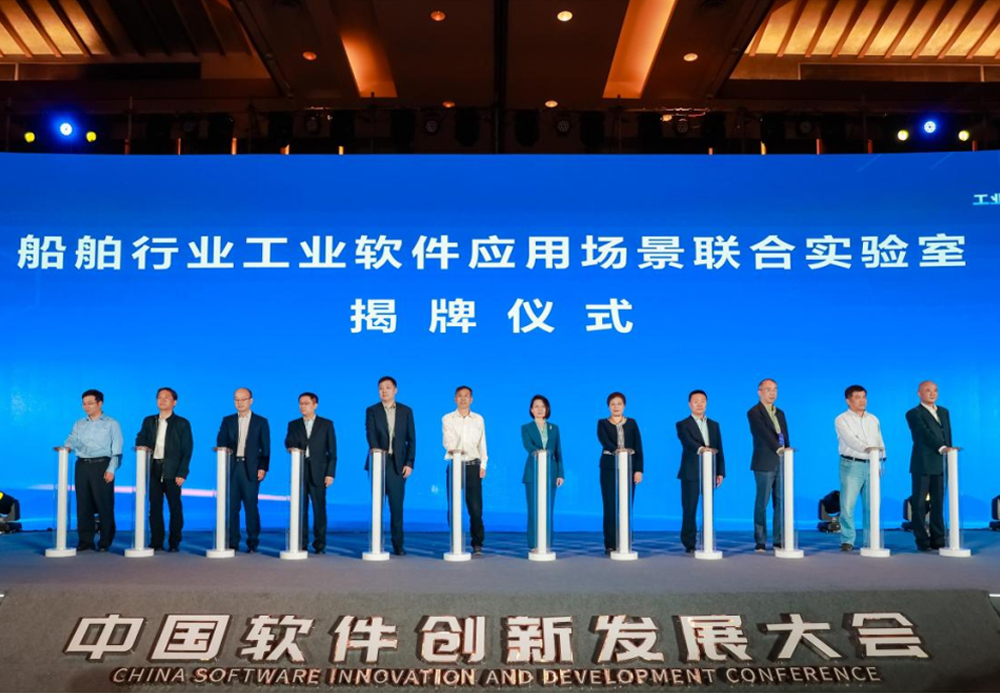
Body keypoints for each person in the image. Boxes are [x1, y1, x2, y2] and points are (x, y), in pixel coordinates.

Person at [135, 387, 193, 552]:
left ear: (174, 402)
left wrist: (182, 472)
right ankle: (156, 541)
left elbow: (187, 450)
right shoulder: (149, 421)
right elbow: (140, 438)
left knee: (175, 508)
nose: (162, 400)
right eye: (159, 397)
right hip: (153, 468)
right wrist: (142, 446)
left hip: (173, 471)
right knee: (154, 508)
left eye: (166, 397)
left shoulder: (182, 423)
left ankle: (174, 542)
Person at [63, 389, 122, 552]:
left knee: (104, 504)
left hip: (102, 465)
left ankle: (105, 541)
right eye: (84, 404)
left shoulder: (111, 423)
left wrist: (111, 469)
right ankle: (85, 540)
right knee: (83, 504)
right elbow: (71, 439)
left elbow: (117, 449)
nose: (86, 407)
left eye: (90, 403)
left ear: (100, 403)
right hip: (82, 465)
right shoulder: (79, 423)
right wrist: (66, 447)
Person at [365, 376, 416, 556]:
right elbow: (370, 434)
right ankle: (376, 543)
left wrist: (409, 463)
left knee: (396, 507)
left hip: (398, 465)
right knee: (377, 505)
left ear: (395, 390)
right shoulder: (372, 410)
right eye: (381, 388)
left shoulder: (406, 411)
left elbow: (411, 439)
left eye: (387, 387)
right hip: (378, 462)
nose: (384, 391)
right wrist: (376, 452)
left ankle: (398, 544)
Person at [216, 387, 270, 553]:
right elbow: (221, 441)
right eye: (236, 399)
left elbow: (266, 448)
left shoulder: (261, 421)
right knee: (232, 508)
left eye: (243, 399)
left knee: (251, 506)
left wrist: (263, 468)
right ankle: (233, 541)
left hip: (251, 469)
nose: (239, 403)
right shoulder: (228, 420)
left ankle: (252, 542)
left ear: (250, 401)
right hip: (232, 468)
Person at [834, 385, 885, 552]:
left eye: (864, 397)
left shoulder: (873, 419)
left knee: (872, 505)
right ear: (848, 401)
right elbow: (850, 440)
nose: (862, 401)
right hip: (851, 464)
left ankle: (871, 539)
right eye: (858, 397)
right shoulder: (841, 419)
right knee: (848, 505)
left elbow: (879, 440)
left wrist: (881, 458)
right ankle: (848, 539)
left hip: (872, 464)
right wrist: (869, 449)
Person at [284, 392, 337, 554]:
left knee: (319, 509)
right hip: (299, 470)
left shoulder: (326, 424)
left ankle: (319, 544)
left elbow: (332, 452)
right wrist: (291, 446)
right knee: (300, 509)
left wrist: (330, 474)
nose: (302, 406)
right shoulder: (293, 424)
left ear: (315, 405)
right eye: (300, 403)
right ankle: (301, 542)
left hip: (319, 472)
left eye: (306, 403)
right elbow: (288, 442)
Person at [905, 380, 953, 552]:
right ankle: (922, 540)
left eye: (935, 390)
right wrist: (941, 447)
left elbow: (947, 435)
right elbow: (922, 434)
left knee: (938, 503)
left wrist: (948, 454)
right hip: (923, 463)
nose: (932, 393)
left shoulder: (944, 411)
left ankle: (938, 539)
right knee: (919, 504)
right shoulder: (913, 413)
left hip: (941, 463)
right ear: (919, 393)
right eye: (928, 390)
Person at [676, 390, 725, 554]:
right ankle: (689, 543)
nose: (699, 404)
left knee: (708, 507)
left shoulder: (714, 425)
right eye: (696, 401)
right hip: (691, 472)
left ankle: (707, 539)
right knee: (689, 508)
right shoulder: (682, 424)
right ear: (690, 404)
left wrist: (720, 471)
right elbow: (688, 442)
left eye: (702, 401)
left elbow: (719, 448)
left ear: (706, 403)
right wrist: (702, 449)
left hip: (710, 471)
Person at [442, 385, 488, 556]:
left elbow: (482, 443)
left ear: (471, 399)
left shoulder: (478, 419)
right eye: (460, 396)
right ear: (455, 399)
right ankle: (455, 540)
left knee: (475, 508)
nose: (463, 399)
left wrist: (483, 465)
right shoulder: (447, 418)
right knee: (453, 506)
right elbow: (447, 440)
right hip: (455, 464)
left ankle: (477, 543)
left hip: (473, 466)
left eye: (466, 396)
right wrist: (455, 451)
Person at [597, 392, 643, 556]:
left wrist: (639, 470)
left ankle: (625, 539)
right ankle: (610, 543)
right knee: (610, 504)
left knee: (627, 504)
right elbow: (604, 441)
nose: (616, 407)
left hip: (629, 468)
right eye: (613, 404)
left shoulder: (632, 423)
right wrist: (619, 451)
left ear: (624, 406)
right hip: (609, 467)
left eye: (619, 404)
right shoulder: (602, 423)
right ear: (608, 406)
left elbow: (638, 446)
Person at [747, 378, 789, 552]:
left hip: (782, 461)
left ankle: (779, 539)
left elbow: (785, 436)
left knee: (781, 502)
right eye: (768, 389)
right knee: (762, 502)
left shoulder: (780, 413)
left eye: (775, 389)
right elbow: (763, 433)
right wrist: (778, 448)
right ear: (760, 392)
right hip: (764, 461)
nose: (772, 393)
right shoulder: (754, 412)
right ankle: (760, 540)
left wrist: (786, 453)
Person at [522, 395, 564, 552]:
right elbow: (528, 446)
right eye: (536, 406)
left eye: (543, 406)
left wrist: (560, 473)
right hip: (533, 471)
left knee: (548, 508)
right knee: (533, 509)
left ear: (547, 409)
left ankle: (546, 542)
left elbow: (558, 451)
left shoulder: (554, 428)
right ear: (531, 410)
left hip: (551, 472)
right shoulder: (526, 427)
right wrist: (539, 453)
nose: (540, 409)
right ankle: (534, 544)